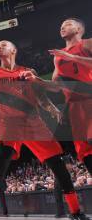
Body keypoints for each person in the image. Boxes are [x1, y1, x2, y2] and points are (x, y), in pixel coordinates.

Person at [0, 40, 90, 220]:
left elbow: (42, 99)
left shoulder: (29, 72)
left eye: (3, 45)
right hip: (9, 125)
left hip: (33, 124)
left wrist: (53, 111)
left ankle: (75, 212)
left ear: (13, 50)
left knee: (58, 167)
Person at [23, 18, 91, 172]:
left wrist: (73, 58)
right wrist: (37, 80)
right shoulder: (58, 56)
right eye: (61, 26)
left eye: (67, 24)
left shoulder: (88, 44)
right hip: (75, 107)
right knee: (85, 152)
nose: (62, 27)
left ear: (79, 29)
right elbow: (56, 87)